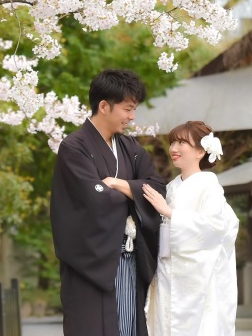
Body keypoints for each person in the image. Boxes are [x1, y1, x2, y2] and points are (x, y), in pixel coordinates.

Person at [50, 69, 166, 336]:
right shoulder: (74, 147)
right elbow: (93, 199)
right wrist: (133, 193)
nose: (132, 117)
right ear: (104, 106)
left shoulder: (130, 149)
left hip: (128, 260)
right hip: (90, 266)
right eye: (128, 109)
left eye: (134, 109)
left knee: (127, 327)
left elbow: (158, 189)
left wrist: (118, 184)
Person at [142, 121, 239, 336]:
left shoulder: (209, 186)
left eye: (182, 142)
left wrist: (169, 213)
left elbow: (215, 227)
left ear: (201, 151)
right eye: (172, 142)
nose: (174, 149)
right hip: (167, 271)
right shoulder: (171, 187)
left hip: (195, 277)